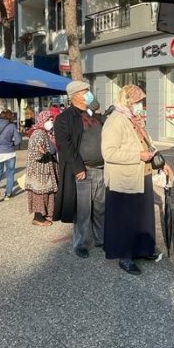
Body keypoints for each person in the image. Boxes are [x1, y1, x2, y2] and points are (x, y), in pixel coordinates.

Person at [101, 84, 171, 275]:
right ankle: (125, 256)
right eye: (138, 101)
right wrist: (137, 155)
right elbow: (109, 153)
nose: (141, 105)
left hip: (143, 175)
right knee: (126, 220)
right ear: (128, 100)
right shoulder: (115, 120)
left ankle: (142, 249)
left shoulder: (134, 119)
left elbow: (148, 144)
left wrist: (162, 163)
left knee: (142, 217)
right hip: (125, 179)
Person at [53, 80, 105, 258]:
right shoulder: (64, 118)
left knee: (101, 207)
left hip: (102, 168)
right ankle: (80, 243)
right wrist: (77, 167)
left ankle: (101, 239)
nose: (89, 94)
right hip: (84, 170)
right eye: (86, 91)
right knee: (83, 210)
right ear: (75, 95)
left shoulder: (92, 114)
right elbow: (64, 145)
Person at [25, 110, 58, 226]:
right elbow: (34, 153)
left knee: (46, 194)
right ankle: (38, 218)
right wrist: (41, 153)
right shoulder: (38, 133)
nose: (51, 122)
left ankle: (45, 215)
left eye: (52, 120)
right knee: (40, 194)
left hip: (44, 168)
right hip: (39, 170)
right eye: (49, 120)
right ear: (43, 120)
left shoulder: (45, 132)